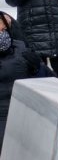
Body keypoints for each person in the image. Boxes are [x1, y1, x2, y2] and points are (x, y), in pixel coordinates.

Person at [0, 13, 45, 152]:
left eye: (3, 29)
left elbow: (48, 81)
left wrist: (38, 68)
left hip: (25, 114)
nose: (1, 32)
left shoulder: (20, 47)